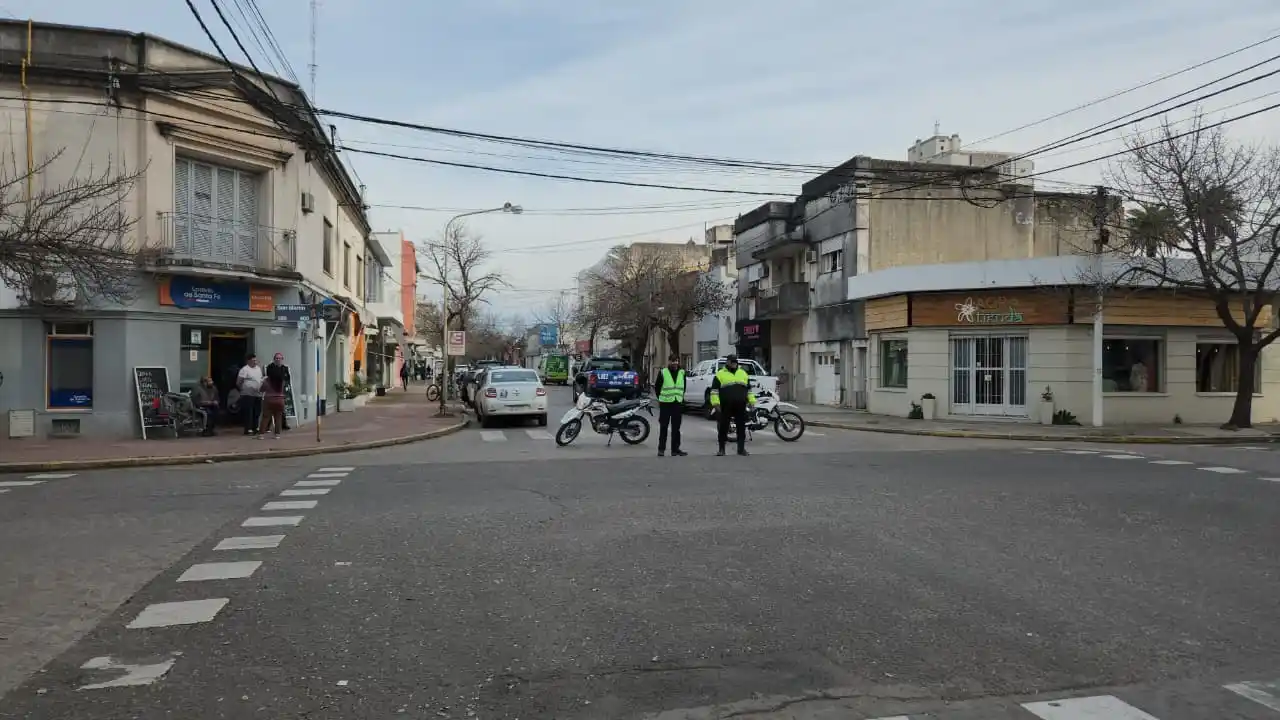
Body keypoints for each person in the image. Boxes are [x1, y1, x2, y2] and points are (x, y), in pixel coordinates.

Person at [710, 354, 756, 457]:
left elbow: (749, 390)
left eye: (735, 362)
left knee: (741, 428)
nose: (734, 363)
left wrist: (752, 401)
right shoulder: (720, 374)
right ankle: (721, 449)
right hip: (725, 405)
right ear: (727, 362)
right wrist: (716, 403)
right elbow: (714, 391)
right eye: (732, 362)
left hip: (740, 405)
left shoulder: (743, 373)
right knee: (723, 427)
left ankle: (741, 449)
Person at [653, 354, 688, 457]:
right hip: (665, 403)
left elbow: (683, 387)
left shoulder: (682, 372)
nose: (674, 363)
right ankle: (661, 449)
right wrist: (661, 398)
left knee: (676, 428)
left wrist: (680, 398)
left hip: (677, 403)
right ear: (669, 362)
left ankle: (675, 449)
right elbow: (657, 387)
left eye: (676, 361)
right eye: (672, 361)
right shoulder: (663, 372)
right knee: (664, 426)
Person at [236, 354, 264, 435]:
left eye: (255, 360)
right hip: (248, 394)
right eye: (253, 360)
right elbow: (239, 382)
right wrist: (243, 389)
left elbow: (260, 379)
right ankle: (248, 429)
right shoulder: (244, 369)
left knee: (257, 411)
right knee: (249, 412)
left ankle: (256, 427)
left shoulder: (258, 369)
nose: (255, 362)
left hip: (258, 394)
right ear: (248, 361)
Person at [258, 360, 287, 439]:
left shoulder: (267, 380)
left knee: (265, 417)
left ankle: (261, 435)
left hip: (269, 400)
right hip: (280, 400)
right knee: (278, 418)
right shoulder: (282, 380)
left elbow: (261, 389)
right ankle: (277, 434)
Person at [269, 353, 292, 431]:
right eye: (276, 358)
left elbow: (287, 377)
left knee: (282, 407)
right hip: (272, 390)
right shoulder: (271, 367)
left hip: (281, 390)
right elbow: (272, 377)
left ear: (282, 359)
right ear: (274, 359)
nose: (278, 360)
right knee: (271, 408)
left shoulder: (284, 368)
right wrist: (281, 377)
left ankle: (283, 424)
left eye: (279, 358)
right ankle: (267, 426)